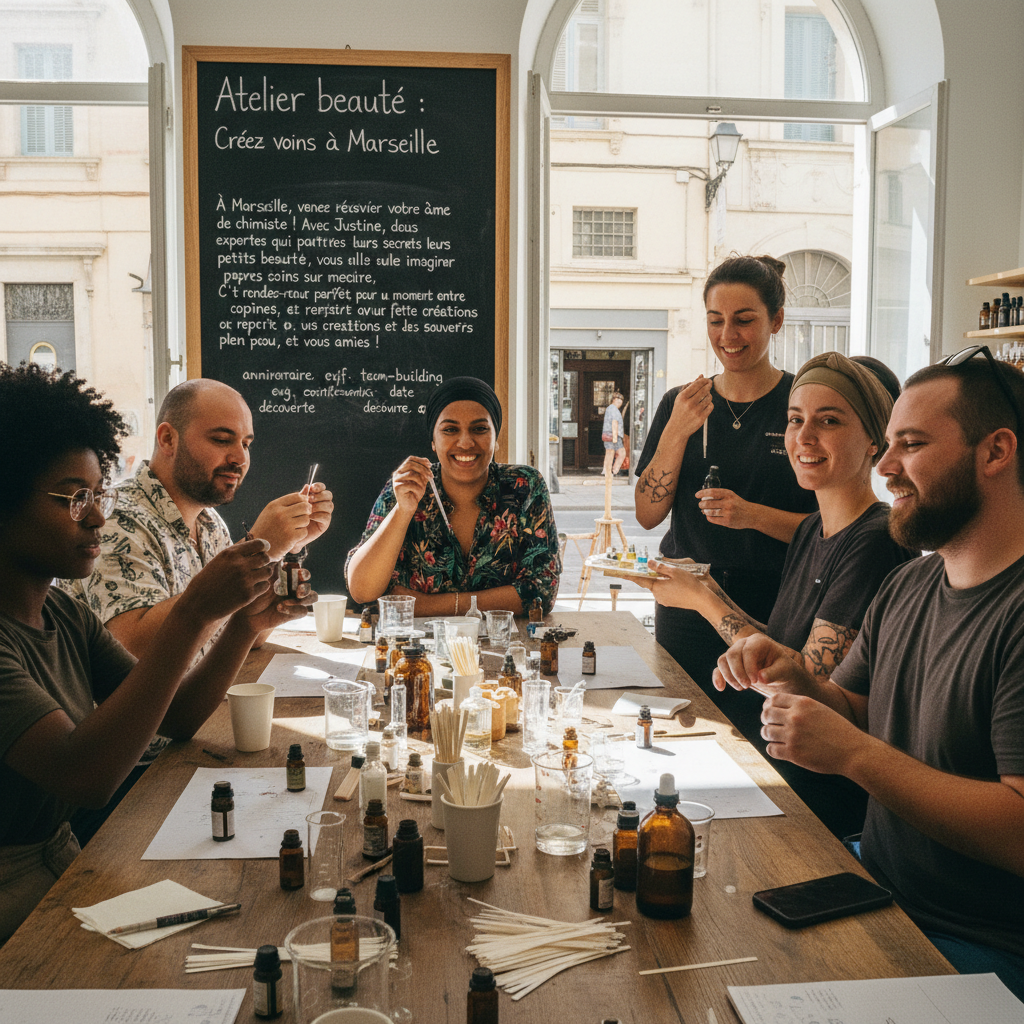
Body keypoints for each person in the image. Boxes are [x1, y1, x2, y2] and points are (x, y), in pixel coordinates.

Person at [714, 347, 1024, 999]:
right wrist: (793, 676)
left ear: (995, 452)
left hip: (981, 944)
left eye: (909, 445)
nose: (886, 469)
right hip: (875, 887)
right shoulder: (911, 583)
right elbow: (850, 705)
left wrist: (854, 755)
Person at [0, 363, 313, 942]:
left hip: (62, 857)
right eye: (73, 499)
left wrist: (245, 624)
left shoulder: (59, 613)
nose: (96, 514)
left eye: (96, 495)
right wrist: (194, 611)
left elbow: (175, 715)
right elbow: (86, 776)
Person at [638, 351, 917, 837]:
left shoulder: (875, 541)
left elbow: (808, 683)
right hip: (775, 774)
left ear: (876, 440)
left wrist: (706, 602)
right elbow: (784, 643)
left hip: (820, 806)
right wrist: (701, 586)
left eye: (828, 421)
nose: (804, 438)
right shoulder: (813, 530)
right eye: (794, 420)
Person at [60, 377, 333, 842]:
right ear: (167, 438)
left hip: (189, 735)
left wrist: (262, 611)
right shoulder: (120, 519)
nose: (240, 458)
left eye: (246, 443)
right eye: (222, 439)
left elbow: (224, 635)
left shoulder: (209, 524)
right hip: (131, 773)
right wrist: (260, 548)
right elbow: (136, 652)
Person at [634, 254, 817, 736]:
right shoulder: (681, 402)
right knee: (681, 733)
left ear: (776, 321)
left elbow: (831, 532)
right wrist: (676, 431)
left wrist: (751, 515)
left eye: (744, 320)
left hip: (771, 605)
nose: (728, 336)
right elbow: (648, 514)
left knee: (760, 744)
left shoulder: (802, 405)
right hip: (685, 605)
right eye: (716, 321)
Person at [345, 376, 561, 615]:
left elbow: (541, 592)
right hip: (416, 651)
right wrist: (403, 511)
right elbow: (362, 590)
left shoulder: (525, 486)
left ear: (495, 438)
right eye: (450, 430)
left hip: (505, 647)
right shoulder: (407, 486)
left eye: (479, 429)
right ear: (433, 442)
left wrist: (424, 605)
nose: (466, 442)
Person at [602, 392, 626, 477]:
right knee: (621, 453)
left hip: (609, 434)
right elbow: (614, 422)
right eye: (618, 401)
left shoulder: (610, 408)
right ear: (614, 400)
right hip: (613, 435)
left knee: (610, 452)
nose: (620, 403)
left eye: (621, 402)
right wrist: (615, 437)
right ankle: (613, 471)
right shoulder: (614, 409)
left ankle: (607, 470)